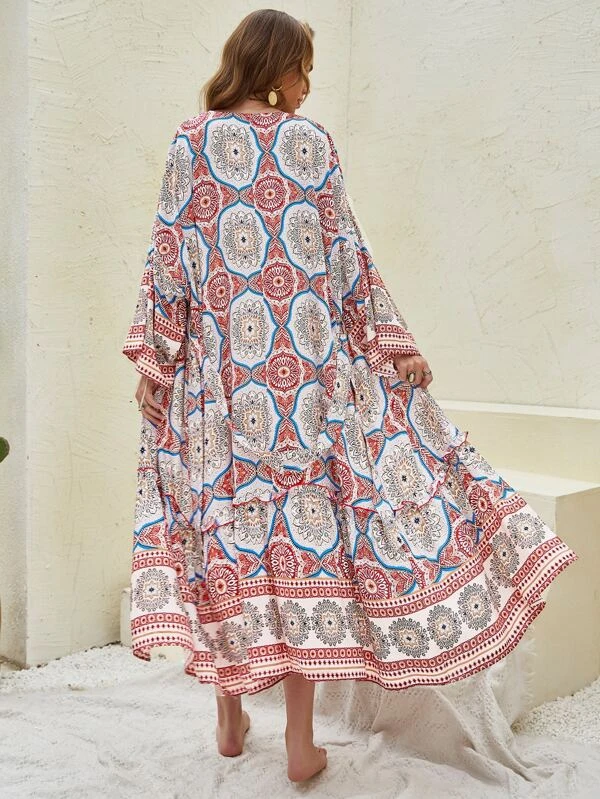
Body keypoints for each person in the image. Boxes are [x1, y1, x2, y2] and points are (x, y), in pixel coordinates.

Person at [122, 8, 579, 783]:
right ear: (274, 66)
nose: (307, 84)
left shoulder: (191, 141)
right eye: (302, 68)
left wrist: (157, 362)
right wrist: (394, 345)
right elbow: (348, 261)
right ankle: (300, 741)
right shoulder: (312, 144)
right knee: (304, 549)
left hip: (221, 387)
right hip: (304, 384)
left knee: (229, 540)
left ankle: (230, 715)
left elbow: (169, 257)